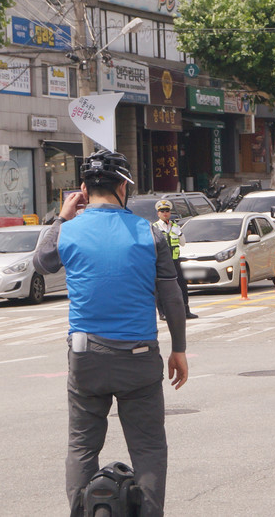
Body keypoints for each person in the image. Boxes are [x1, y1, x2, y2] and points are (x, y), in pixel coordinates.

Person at [32, 150, 188, 517]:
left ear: (83, 190)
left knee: (82, 448)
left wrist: (62, 217)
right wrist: (178, 349)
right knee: (148, 449)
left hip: (86, 359)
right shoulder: (150, 234)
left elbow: (42, 261)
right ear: (123, 187)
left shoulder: (69, 231)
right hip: (139, 358)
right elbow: (172, 300)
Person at [153, 200, 197, 320]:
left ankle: (186, 310)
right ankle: (162, 312)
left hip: (175, 260)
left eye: (167, 211)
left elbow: (183, 243)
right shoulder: (154, 227)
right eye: (162, 211)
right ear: (158, 213)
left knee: (182, 285)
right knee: (161, 287)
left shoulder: (175, 227)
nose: (165, 213)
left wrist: (180, 233)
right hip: (161, 262)